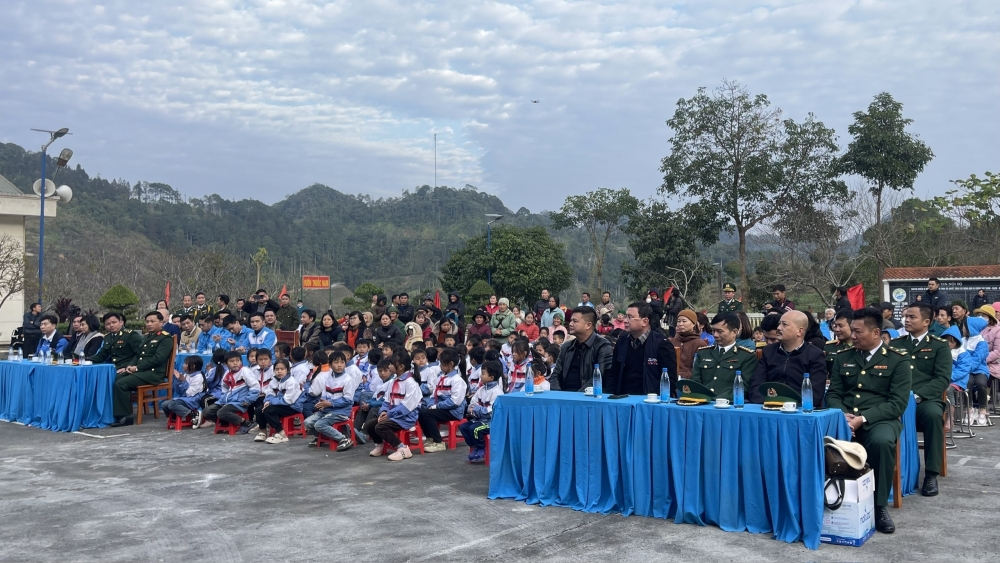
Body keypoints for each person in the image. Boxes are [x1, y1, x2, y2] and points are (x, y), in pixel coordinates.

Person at [827, 307, 911, 534]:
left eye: (858, 332)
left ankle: (879, 505)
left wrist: (862, 419)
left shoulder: (898, 360)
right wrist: (842, 414)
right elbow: (833, 393)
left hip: (880, 419)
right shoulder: (843, 357)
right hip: (844, 418)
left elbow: (897, 403)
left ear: (875, 333)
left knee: (881, 442)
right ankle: (828, 498)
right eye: (852, 331)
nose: (852, 336)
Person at [890, 303, 951, 496]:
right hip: (897, 400)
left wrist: (917, 396)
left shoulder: (939, 346)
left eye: (912, 317)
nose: (906, 320)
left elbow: (942, 379)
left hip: (925, 400)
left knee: (933, 416)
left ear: (926, 321)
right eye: (906, 316)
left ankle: (931, 474)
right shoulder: (895, 345)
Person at [110, 312, 176, 427]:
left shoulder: (165, 338)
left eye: (152, 321)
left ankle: (125, 417)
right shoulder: (147, 336)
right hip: (141, 371)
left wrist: (137, 368)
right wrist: (129, 366)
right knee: (116, 378)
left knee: (121, 384)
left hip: (153, 373)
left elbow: (158, 359)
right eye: (147, 321)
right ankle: (116, 413)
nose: (149, 324)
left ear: (161, 322)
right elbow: (138, 355)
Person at [749, 310, 827, 405]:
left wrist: (791, 407)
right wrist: (763, 404)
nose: (778, 328)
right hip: (768, 406)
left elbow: (815, 393)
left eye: (784, 324)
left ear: (799, 331)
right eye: (779, 324)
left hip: (799, 409)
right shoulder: (769, 351)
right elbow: (756, 384)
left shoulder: (815, 355)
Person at [606, 302, 678, 396]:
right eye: (625, 316)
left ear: (644, 321)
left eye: (630, 317)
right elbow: (613, 374)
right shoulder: (622, 341)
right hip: (623, 398)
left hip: (650, 400)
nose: (625, 320)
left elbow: (670, 380)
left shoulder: (661, 344)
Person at [365, 351, 422, 461]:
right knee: (369, 425)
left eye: (391, 363)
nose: (389, 366)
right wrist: (383, 412)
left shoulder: (411, 383)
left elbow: (406, 408)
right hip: (393, 415)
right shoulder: (393, 381)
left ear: (400, 366)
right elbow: (387, 401)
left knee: (381, 427)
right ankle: (379, 445)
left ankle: (403, 448)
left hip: (406, 418)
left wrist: (389, 414)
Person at [692, 313, 758, 400]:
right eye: (713, 330)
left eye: (720, 331)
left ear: (734, 332)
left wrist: (718, 400)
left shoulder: (747, 356)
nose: (715, 335)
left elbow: (743, 387)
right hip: (703, 401)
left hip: (729, 403)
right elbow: (695, 382)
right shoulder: (703, 353)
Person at [304, 351, 358, 452]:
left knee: (319, 424)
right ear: (330, 365)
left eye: (342, 362)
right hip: (327, 409)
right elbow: (324, 394)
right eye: (336, 362)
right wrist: (321, 403)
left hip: (341, 412)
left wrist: (330, 403)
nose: (339, 365)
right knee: (307, 422)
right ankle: (322, 437)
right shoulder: (328, 378)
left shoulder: (348, 380)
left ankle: (343, 439)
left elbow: (348, 400)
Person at [550, 307, 613, 392]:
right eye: (571, 320)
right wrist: (557, 394)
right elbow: (556, 374)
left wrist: (577, 396)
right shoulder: (567, 347)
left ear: (588, 325)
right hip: (564, 395)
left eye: (575, 321)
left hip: (588, 396)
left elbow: (599, 376)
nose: (570, 324)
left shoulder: (602, 346)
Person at [417, 348, 467, 452]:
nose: (440, 366)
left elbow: (455, 401)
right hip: (442, 408)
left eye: (442, 364)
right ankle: (430, 438)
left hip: (453, 411)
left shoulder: (457, 380)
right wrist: (431, 404)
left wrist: (437, 406)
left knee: (427, 414)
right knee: (421, 412)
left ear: (451, 364)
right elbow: (434, 394)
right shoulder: (441, 377)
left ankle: (438, 442)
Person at [201, 351, 260, 433]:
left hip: (240, 401)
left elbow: (255, 386)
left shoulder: (245, 371)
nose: (235, 363)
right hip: (227, 401)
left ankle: (246, 423)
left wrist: (248, 400)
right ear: (226, 364)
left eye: (237, 360)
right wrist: (222, 401)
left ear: (241, 361)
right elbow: (224, 390)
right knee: (206, 411)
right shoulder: (227, 374)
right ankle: (225, 423)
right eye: (232, 361)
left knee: (221, 413)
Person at [460, 360, 504, 463]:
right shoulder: (481, 390)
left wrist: (476, 409)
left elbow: (490, 412)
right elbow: (472, 403)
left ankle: (481, 448)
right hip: (479, 419)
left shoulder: (497, 392)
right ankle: (475, 446)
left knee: (475, 429)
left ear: (491, 377)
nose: (480, 376)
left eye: (483, 373)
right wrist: (472, 410)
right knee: (463, 427)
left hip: (490, 423)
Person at [253, 359, 302, 444]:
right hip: (279, 405)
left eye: (282, 369)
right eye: (277, 369)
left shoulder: (291, 382)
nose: (279, 371)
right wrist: (267, 401)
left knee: (269, 410)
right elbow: (269, 394)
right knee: (259, 410)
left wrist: (271, 402)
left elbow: (287, 400)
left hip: (292, 406)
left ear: (288, 370)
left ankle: (281, 434)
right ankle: (263, 432)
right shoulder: (273, 381)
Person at [161, 356, 206, 422]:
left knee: (172, 404)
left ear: (193, 366)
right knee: (164, 404)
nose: (183, 365)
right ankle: (174, 419)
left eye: (186, 364)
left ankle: (193, 414)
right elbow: (179, 391)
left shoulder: (198, 377)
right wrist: (177, 380)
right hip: (185, 398)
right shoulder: (187, 375)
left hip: (194, 400)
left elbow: (189, 393)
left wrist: (183, 382)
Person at [669, 309, 708, 378]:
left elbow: (700, 369)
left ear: (693, 324)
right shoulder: (672, 341)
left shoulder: (700, 344)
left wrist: (682, 375)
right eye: (678, 321)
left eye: (684, 321)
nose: (680, 324)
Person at [825, 309, 854, 375]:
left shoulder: (861, 347)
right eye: (835, 326)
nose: (837, 329)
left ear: (852, 326)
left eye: (841, 326)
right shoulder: (829, 347)